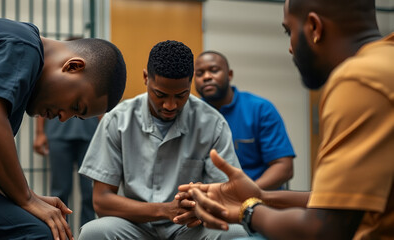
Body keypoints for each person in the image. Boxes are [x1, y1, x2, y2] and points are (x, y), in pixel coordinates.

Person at [178, 0, 394, 239]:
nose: (290, 48)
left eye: (289, 31)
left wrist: (247, 210)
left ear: (314, 27)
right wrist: (258, 196)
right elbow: (339, 202)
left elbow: (321, 230)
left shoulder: (358, 80)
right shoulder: (385, 63)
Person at [0, 18, 126, 240]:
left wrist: (27, 195)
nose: (63, 118)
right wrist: (26, 198)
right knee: (42, 234)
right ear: (73, 66)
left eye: (76, 115)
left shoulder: (22, 47)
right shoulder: (24, 46)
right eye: (76, 106)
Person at [78, 40, 248, 240]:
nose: (170, 105)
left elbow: (226, 195)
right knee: (93, 232)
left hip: (189, 228)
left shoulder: (212, 124)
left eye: (181, 96)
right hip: (135, 226)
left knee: (236, 233)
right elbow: (101, 201)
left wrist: (198, 207)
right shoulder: (117, 120)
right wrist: (164, 210)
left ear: (190, 83)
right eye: (160, 95)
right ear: (145, 78)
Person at [194, 51, 295, 190]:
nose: (206, 77)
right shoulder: (191, 114)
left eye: (214, 70)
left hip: (260, 198)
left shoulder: (260, 109)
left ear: (229, 75)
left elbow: (284, 167)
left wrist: (248, 192)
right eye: (199, 73)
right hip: (212, 199)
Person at [33, 115, 98, 227]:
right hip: (58, 132)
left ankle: (88, 234)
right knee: (59, 193)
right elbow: (44, 99)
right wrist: (39, 133)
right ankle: (60, 233)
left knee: (89, 192)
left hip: (90, 132)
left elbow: (102, 102)